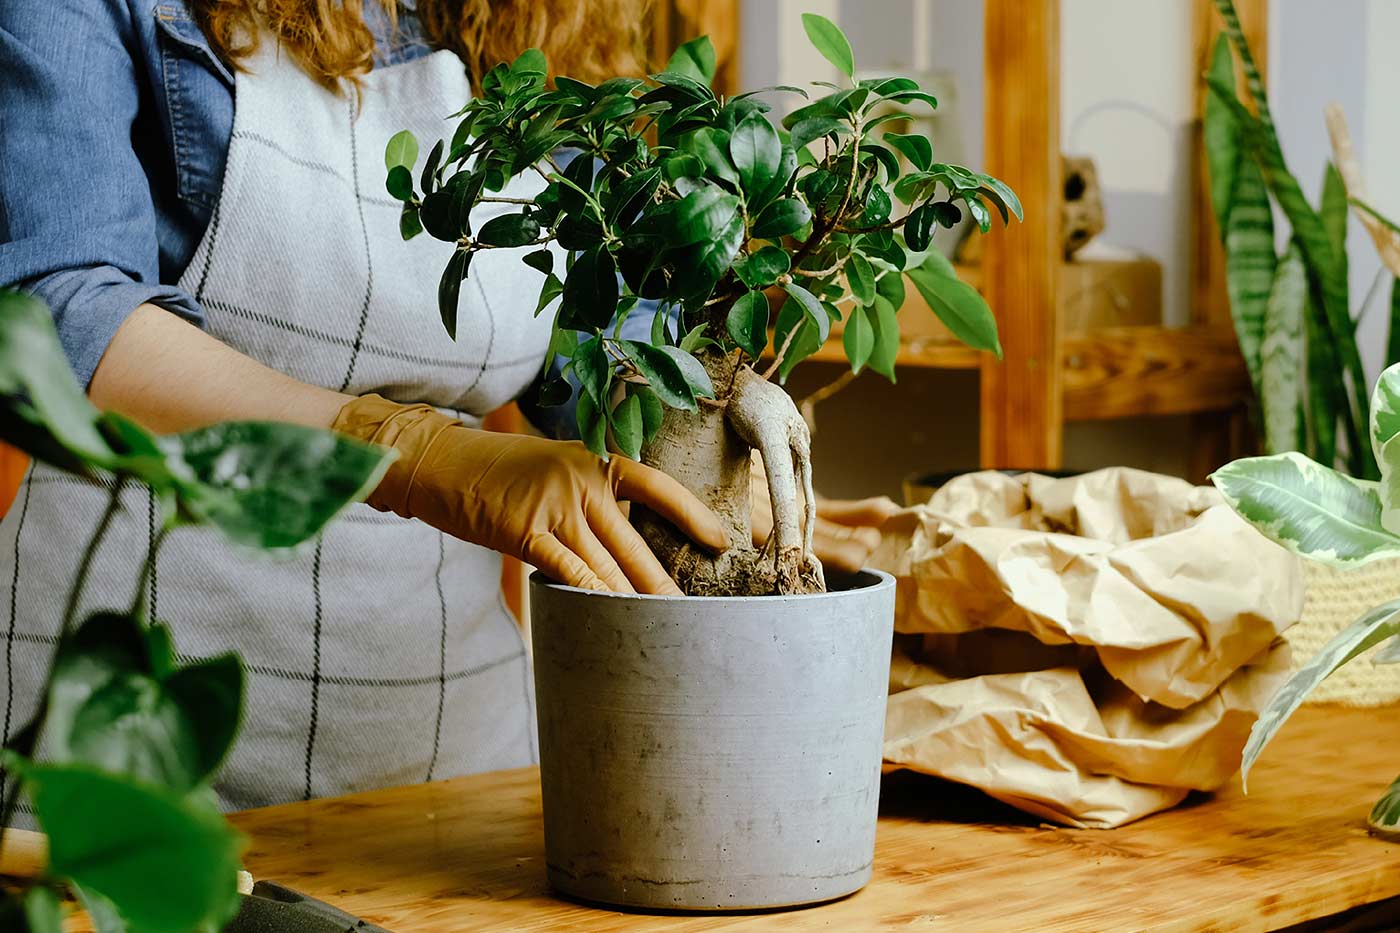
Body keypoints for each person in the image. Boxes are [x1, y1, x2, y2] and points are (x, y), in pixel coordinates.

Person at [0, 0, 897, 812]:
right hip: (132, 752)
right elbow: (56, 303)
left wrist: (714, 433)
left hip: (451, 766)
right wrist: (402, 450)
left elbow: (588, 351)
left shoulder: (534, 26)